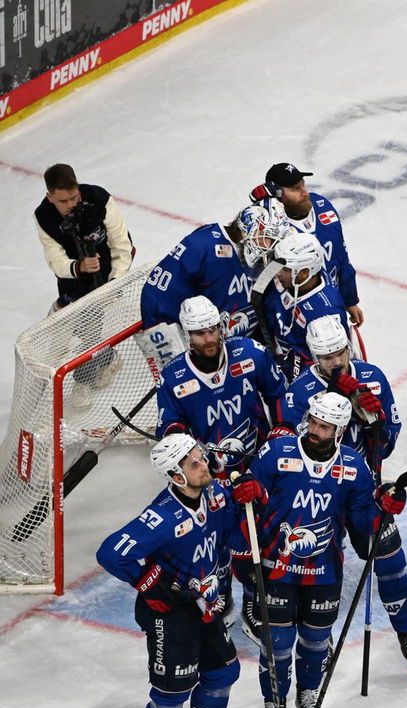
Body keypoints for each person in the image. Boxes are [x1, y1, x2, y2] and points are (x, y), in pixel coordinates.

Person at [96, 434, 264, 708]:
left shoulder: (214, 495)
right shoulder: (161, 518)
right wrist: (151, 583)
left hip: (206, 606)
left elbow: (238, 516)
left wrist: (253, 497)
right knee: (172, 692)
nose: (204, 464)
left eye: (200, 457)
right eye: (194, 463)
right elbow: (111, 553)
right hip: (170, 615)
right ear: (176, 477)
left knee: (223, 673)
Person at [242, 392, 407, 708]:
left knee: (316, 641)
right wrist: (245, 491)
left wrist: (386, 508)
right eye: (313, 423)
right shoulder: (277, 452)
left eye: (324, 426)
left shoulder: (353, 466)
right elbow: (249, 497)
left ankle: (308, 694)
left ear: (340, 430)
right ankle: (274, 704)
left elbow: (364, 521)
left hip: (324, 571)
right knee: (278, 643)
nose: (315, 431)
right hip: (276, 568)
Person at [281, 316, 407, 659]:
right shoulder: (300, 392)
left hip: (363, 492)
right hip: (318, 495)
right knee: (314, 569)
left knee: (390, 561)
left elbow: (388, 441)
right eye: (327, 358)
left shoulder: (372, 378)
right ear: (314, 357)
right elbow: (298, 449)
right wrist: (339, 404)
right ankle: (314, 639)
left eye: (341, 353)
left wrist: (376, 424)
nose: (337, 362)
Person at [155, 295, 289, 477]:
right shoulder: (171, 377)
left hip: (261, 459)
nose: (209, 338)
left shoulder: (250, 352)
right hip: (211, 473)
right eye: (200, 333)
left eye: (213, 330)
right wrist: (183, 442)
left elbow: (278, 393)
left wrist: (282, 429)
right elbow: (169, 424)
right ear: (187, 335)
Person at [140, 203, 286, 362]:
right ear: (249, 231)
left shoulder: (262, 260)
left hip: (238, 348)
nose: (273, 247)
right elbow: (156, 297)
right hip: (202, 347)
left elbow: (265, 304)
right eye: (269, 239)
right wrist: (168, 347)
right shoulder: (202, 246)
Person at [250, 162, 366, 327]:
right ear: (277, 194)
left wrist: (349, 299)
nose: (305, 193)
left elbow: (341, 258)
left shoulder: (322, 206)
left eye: (303, 185)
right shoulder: (270, 232)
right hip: (295, 316)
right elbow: (265, 284)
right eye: (295, 189)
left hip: (332, 302)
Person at [34, 163, 134, 311]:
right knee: (82, 329)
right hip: (74, 277)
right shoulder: (44, 217)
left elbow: (121, 243)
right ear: (49, 197)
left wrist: (115, 280)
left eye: (73, 197)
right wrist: (80, 267)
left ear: (78, 188)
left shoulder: (100, 199)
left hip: (107, 268)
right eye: (63, 201)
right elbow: (54, 258)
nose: (70, 205)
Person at [264, 230, 349, 380]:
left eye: (284, 269)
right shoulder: (303, 275)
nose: (276, 273)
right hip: (279, 344)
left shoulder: (323, 313)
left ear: (303, 274)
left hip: (300, 365)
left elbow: (328, 366)